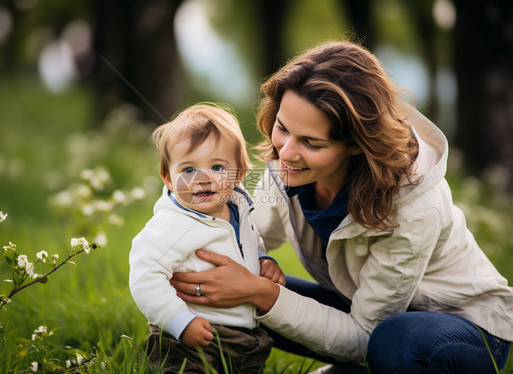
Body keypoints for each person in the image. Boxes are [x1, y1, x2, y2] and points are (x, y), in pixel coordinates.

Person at [169, 41, 513, 373]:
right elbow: (244, 232)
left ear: (355, 145)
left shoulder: (414, 206)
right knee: (213, 284)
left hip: (461, 331)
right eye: (283, 128)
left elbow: (366, 334)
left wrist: (261, 291)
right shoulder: (288, 168)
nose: (285, 152)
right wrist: (251, 261)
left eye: (311, 142)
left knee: (394, 342)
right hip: (367, 314)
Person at [129, 103, 284, 373]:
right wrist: (180, 321)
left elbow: (247, 244)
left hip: (245, 339)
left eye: (217, 167)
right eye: (188, 170)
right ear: (168, 178)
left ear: (240, 173)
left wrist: (263, 260)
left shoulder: (239, 210)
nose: (203, 178)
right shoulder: (171, 224)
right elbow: (145, 276)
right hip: (189, 338)